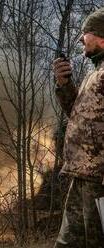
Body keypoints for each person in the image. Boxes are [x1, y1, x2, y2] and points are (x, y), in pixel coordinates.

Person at [52, 7, 104, 248]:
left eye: (87, 33)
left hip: (99, 182)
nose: (82, 39)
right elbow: (78, 114)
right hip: (82, 176)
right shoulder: (94, 74)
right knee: (67, 243)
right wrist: (64, 84)